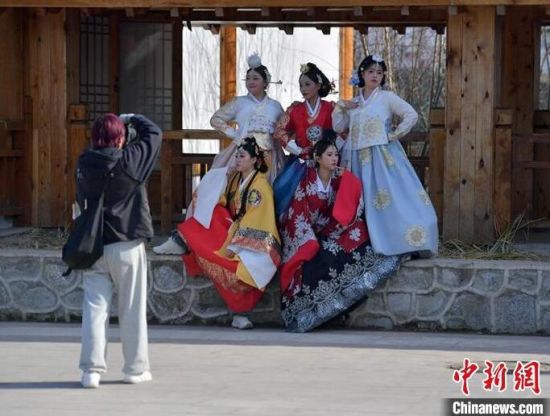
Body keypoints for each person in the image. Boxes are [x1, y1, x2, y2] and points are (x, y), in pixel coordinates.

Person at [154, 53, 284, 255]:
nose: (251, 82)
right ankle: (198, 238)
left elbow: (282, 130)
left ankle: (262, 243)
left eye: (256, 78)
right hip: (241, 155)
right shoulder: (239, 102)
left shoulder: (275, 106)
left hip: (268, 159)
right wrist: (235, 134)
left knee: (266, 198)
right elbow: (216, 119)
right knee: (216, 191)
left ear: (266, 82)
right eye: (248, 78)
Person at [279, 136, 400, 333]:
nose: (334, 158)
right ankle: (306, 313)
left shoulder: (338, 178)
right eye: (329, 155)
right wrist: (308, 239)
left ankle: (339, 307)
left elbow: (348, 204)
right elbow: (297, 215)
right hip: (303, 233)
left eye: (336, 154)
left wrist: (348, 179)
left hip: (328, 228)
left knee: (353, 242)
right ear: (318, 158)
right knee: (313, 259)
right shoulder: (306, 181)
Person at [77, 113, 161, 388]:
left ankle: (91, 371)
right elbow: (154, 133)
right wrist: (133, 118)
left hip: (94, 245)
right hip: (127, 243)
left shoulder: (85, 163)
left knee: (94, 309)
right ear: (121, 138)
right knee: (131, 309)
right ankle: (135, 369)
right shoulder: (130, 160)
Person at [332, 54, 438, 257]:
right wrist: (340, 107)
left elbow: (411, 115)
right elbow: (338, 127)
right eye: (371, 71)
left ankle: (399, 241)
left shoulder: (387, 98)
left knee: (390, 199)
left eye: (379, 72)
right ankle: (363, 244)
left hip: (382, 158)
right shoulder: (354, 102)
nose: (375, 76)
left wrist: (393, 135)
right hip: (355, 159)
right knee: (360, 200)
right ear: (362, 74)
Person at [173, 137, 281, 330]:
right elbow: (221, 201)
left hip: (257, 248)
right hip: (237, 234)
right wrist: (221, 181)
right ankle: (185, 239)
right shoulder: (236, 179)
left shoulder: (259, 186)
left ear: (254, 160)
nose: (237, 159)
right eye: (237, 156)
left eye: (242, 156)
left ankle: (241, 313)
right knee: (214, 212)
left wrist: (235, 247)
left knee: (237, 271)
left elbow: (257, 220)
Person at [273, 62, 335, 219]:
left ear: (318, 85)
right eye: (301, 85)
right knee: (283, 190)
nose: (303, 89)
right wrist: (298, 150)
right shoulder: (294, 110)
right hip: (301, 162)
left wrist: (331, 152)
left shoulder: (331, 108)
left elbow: (342, 131)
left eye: (307, 84)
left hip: (326, 163)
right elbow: (279, 131)